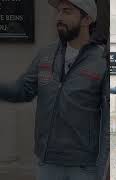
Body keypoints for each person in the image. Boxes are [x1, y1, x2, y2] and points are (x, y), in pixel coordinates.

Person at [0, 0, 107, 179]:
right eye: (58, 12)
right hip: (46, 162)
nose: (59, 17)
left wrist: (105, 167)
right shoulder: (46, 54)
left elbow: (107, 122)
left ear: (86, 19)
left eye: (67, 11)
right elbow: (22, 90)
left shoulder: (102, 60)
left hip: (84, 167)